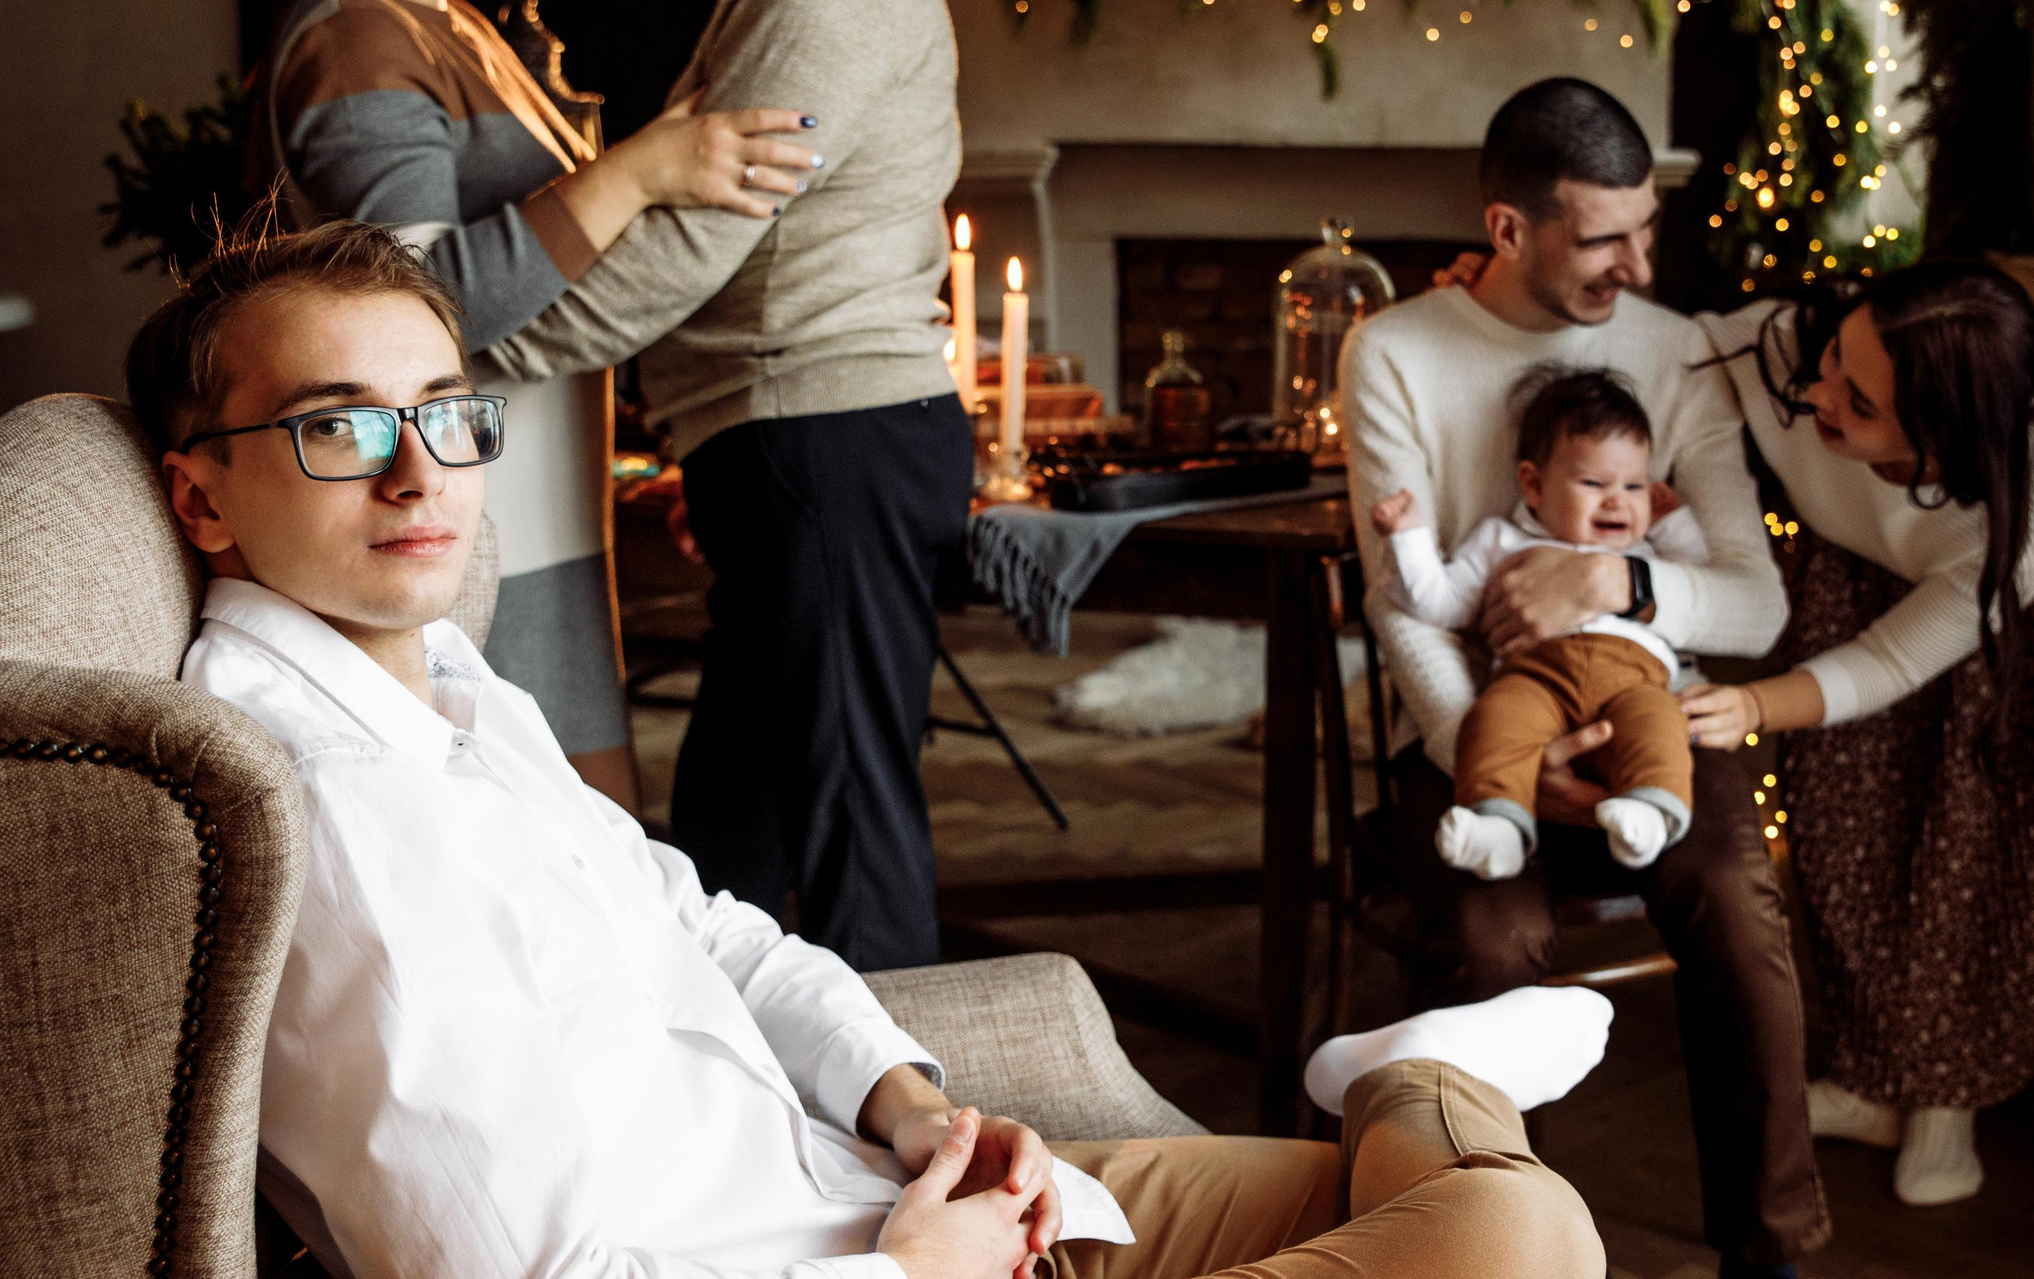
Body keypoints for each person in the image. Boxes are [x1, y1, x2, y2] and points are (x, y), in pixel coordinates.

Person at [129, 219, 1611, 1279]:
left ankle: (1416, 1087)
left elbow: (707, 926)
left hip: (867, 1198)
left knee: (1455, 1211)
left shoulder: (447, 685)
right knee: (1516, 1228)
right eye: (338, 429)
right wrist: (914, 1268)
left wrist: (910, 1105)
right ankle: (1420, 1079)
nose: (419, 472)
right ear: (202, 498)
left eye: (446, 415)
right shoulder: (327, 812)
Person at [237, 0, 820, 811]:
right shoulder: (356, 43)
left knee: (598, 845)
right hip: (456, 536)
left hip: (537, 521)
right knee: (562, 849)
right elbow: (423, 304)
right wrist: (637, 169)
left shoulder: (451, 24)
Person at [474, 0, 968, 973]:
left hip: (827, 437)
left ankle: (915, 1101)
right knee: (732, 844)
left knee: (848, 850)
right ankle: (734, 1085)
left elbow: (690, 241)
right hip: (795, 439)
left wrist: (464, 344)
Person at [1340, 78, 1824, 1279]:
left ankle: (1769, 1254)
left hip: (1648, 719)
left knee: (1738, 904)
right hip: (1475, 731)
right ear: (1508, 229)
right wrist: (1495, 752)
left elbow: (1756, 602)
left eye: (1645, 229)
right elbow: (1401, 602)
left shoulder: (1676, 351)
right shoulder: (1391, 351)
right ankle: (1496, 1250)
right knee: (1487, 940)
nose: (1639, 265)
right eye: (1606, 239)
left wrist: (1617, 582)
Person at [1678, 262, 2034, 1207]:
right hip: (1865, 544)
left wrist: (1753, 705)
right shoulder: (1796, 348)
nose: (1819, 393)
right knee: (1839, 804)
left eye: (1858, 401)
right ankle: (1872, 1073)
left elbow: (1890, 663)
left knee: (1978, 824)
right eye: (1834, 359)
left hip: (2013, 584)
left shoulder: (2026, 523)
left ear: (1941, 441)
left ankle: (1948, 1092)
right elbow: (1671, 354)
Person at [1371, 365, 1709, 878]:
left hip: (1634, 680)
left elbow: (1700, 584)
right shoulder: (1499, 541)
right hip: (1534, 679)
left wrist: (1673, 520)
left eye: (1635, 485)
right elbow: (1439, 604)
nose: (1617, 501)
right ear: (1533, 484)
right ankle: (1498, 826)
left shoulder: (1645, 553)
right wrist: (1409, 538)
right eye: (1594, 483)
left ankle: (1649, 813)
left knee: (1661, 724)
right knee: (1492, 722)